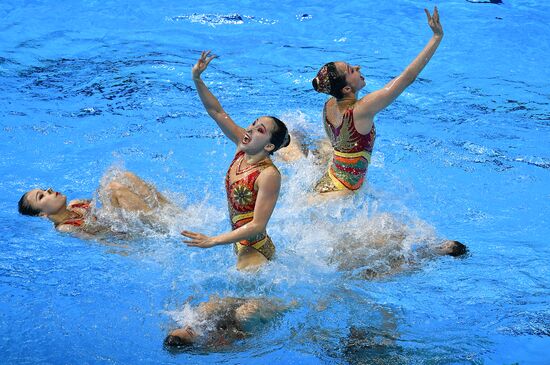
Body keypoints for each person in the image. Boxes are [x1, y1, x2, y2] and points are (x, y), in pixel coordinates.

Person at [311, 7, 444, 198]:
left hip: (329, 179)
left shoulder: (329, 106)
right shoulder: (360, 110)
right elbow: (407, 77)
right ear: (347, 89)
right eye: (351, 70)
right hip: (342, 193)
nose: (357, 67)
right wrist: (436, 37)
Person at [181, 51, 291, 271]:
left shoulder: (268, 175)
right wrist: (197, 79)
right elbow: (217, 111)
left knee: (233, 306)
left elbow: (258, 225)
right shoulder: (243, 146)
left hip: (255, 251)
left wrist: (213, 240)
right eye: (253, 123)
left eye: (259, 130)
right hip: (239, 244)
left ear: (269, 147)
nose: (249, 128)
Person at [17, 171, 170, 235]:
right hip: (124, 233)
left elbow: (100, 203)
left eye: (44, 189)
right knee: (114, 188)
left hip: (118, 221)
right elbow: (99, 241)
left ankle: (171, 212)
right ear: (43, 214)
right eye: (42, 196)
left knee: (123, 176)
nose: (49, 190)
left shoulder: (76, 204)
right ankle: (166, 225)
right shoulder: (65, 227)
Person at [164, 296, 291, 349]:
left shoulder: (190, 323)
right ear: (194, 343)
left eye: (184, 326)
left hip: (226, 316)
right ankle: (287, 306)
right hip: (240, 327)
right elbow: (240, 337)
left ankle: (244, 297)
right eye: (190, 331)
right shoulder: (213, 346)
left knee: (207, 309)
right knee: (246, 315)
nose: (188, 325)